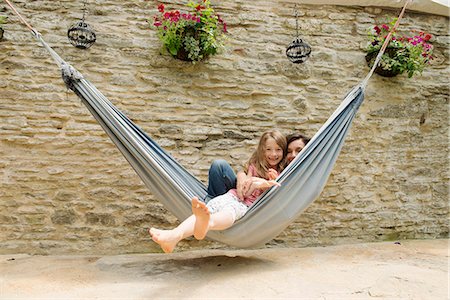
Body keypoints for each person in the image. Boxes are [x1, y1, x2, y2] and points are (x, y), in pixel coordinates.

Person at [149, 130, 287, 253]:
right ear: (262, 150)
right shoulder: (254, 166)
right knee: (209, 208)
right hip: (232, 195)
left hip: (246, 207)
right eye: (268, 149)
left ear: (283, 151)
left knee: (229, 212)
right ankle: (174, 236)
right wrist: (252, 183)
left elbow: (275, 195)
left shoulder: (284, 172)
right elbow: (243, 191)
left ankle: (208, 223)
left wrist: (267, 184)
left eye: (278, 149)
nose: (273, 154)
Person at [206, 132, 311, 200]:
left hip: (254, 205)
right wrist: (242, 175)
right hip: (239, 196)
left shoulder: (289, 171)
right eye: (289, 151)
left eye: (299, 151)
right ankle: (212, 203)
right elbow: (247, 173)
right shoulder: (258, 163)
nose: (293, 155)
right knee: (219, 165)